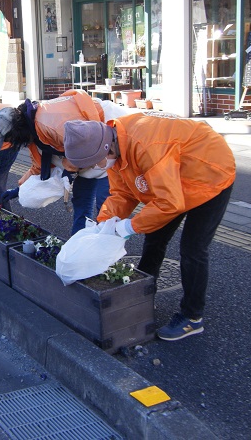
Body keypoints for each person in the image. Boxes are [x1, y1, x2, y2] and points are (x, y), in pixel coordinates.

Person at [62, 115, 236, 341]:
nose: (97, 167)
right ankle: (142, 296)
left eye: (96, 162)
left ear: (106, 148)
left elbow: (169, 203)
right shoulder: (114, 148)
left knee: (193, 249)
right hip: (172, 183)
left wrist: (129, 226)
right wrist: (104, 222)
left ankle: (192, 317)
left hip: (209, 174)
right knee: (154, 238)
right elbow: (122, 194)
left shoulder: (146, 147)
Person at [0, 89, 111, 234]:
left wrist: (70, 169)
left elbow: (88, 146)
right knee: (81, 200)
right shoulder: (34, 132)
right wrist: (19, 189)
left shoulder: (52, 124)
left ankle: (105, 247)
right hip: (88, 157)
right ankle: (80, 243)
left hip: (106, 141)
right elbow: (38, 167)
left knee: (107, 204)